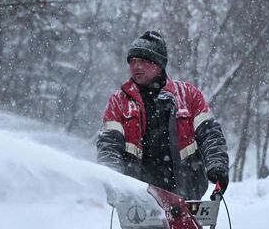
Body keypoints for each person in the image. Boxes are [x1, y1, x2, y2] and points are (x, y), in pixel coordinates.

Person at [97, 30, 229, 201]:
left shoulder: (189, 96)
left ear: (159, 64)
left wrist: (217, 166)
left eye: (144, 61)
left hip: (186, 197)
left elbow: (210, 135)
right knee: (141, 228)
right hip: (137, 201)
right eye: (133, 61)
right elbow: (109, 145)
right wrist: (113, 180)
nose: (136, 66)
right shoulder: (118, 101)